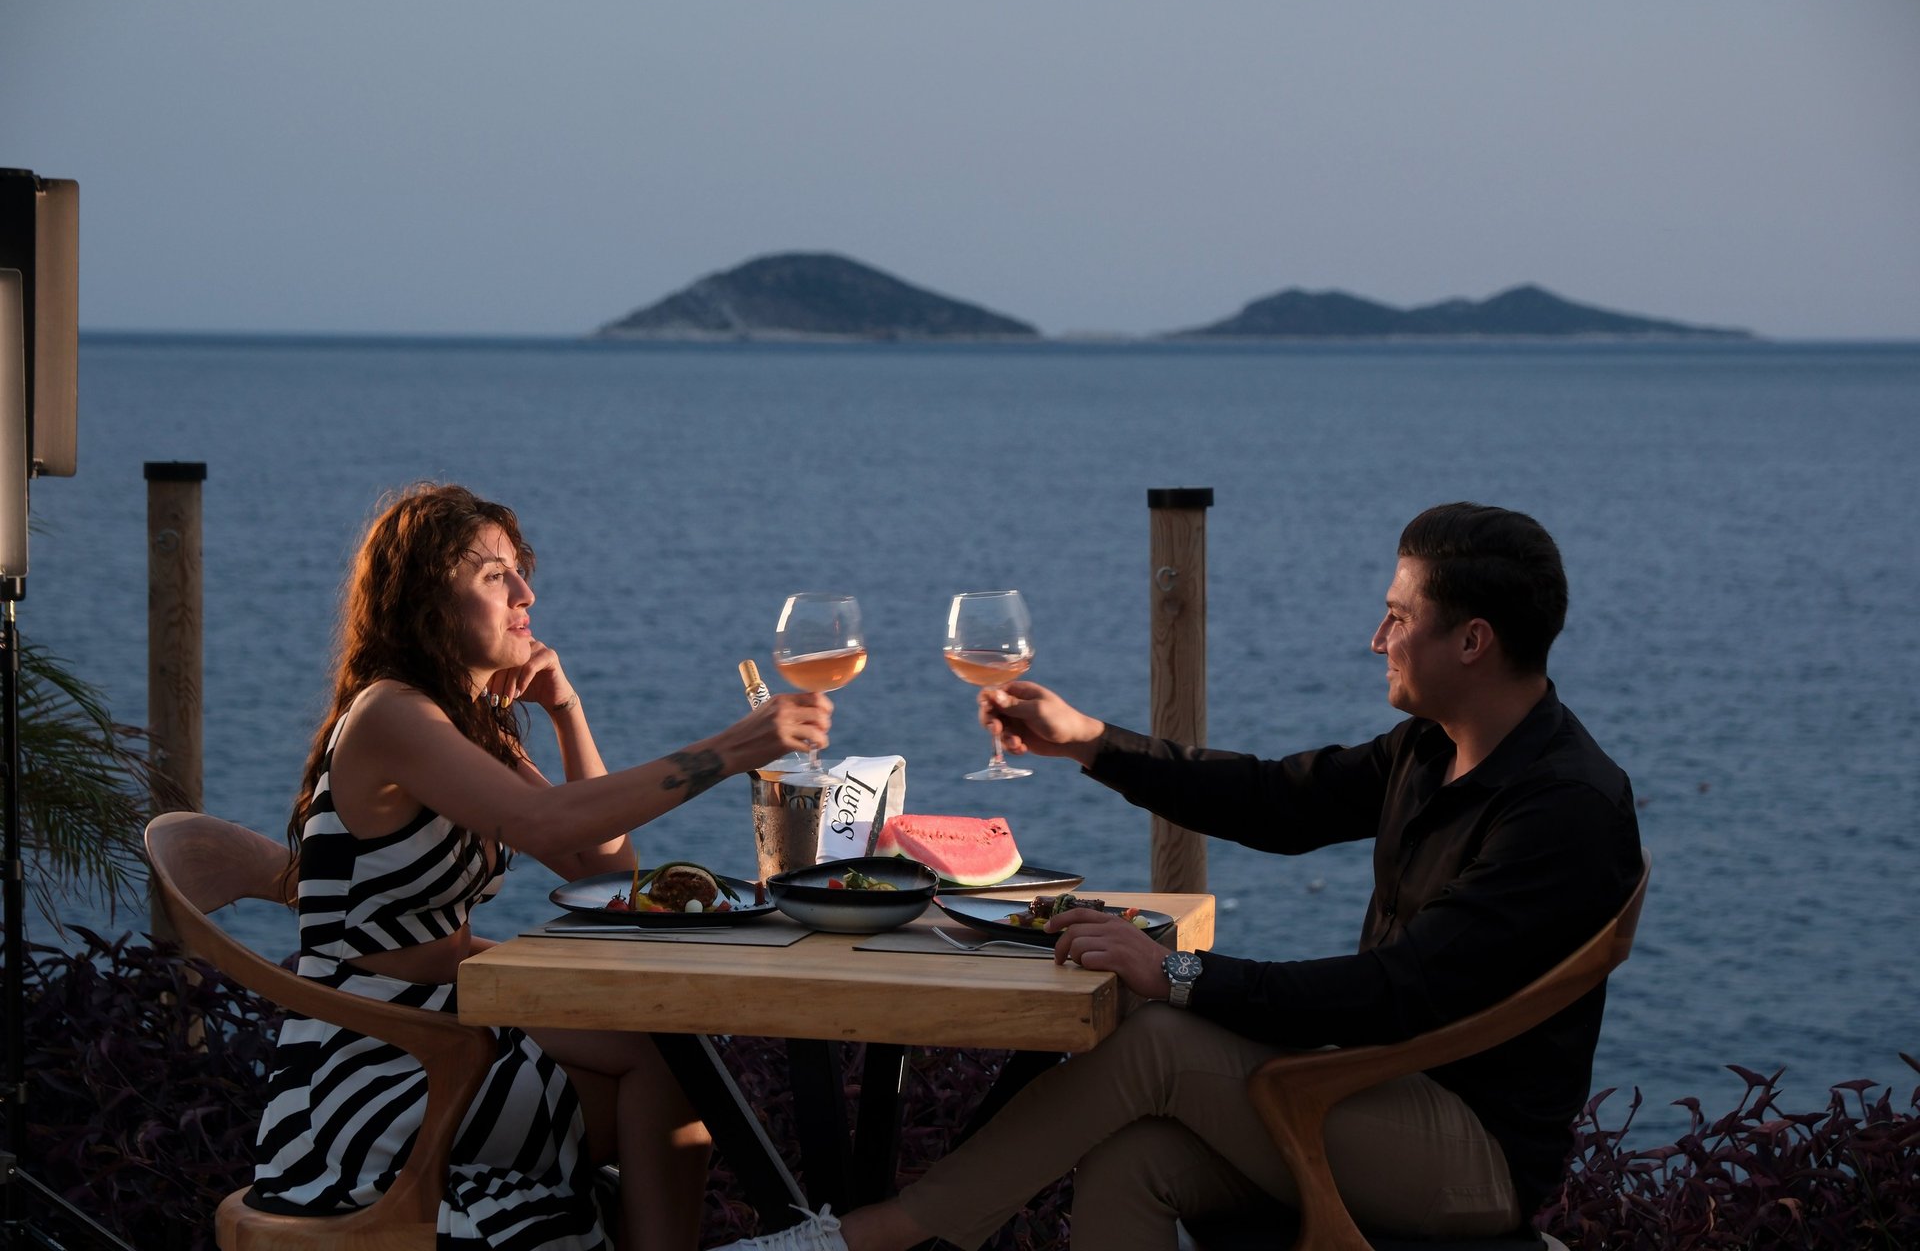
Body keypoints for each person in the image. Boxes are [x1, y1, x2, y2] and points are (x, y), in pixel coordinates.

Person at [719, 502, 1643, 1251]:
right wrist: (1091, 745)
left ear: (1473, 641)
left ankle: (871, 1238)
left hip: (1467, 1156)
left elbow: (1398, 991)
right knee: (1135, 1158)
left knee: (1156, 1037)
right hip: (1371, 1095)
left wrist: (1181, 974)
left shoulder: (1561, 809)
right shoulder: (1432, 749)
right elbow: (1276, 803)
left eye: (1398, 618)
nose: (1376, 638)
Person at [246, 483, 832, 1251]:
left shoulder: (464, 723)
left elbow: (601, 862)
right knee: (670, 1079)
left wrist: (567, 710)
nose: (525, 591)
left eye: (519, 570)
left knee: (669, 1047)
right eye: (494, 576)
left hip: (446, 1020)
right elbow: (543, 822)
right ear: (425, 602)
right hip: (371, 1067)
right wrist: (734, 749)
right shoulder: (394, 714)